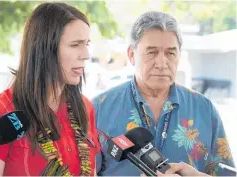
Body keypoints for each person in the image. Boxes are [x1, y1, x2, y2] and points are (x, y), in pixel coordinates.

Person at [93, 11, 235, 176]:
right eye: (152, 52)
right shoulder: (98, 109)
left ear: (179, 56)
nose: (161, 63)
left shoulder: (204, 109)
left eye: (170, 53)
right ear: (131, 55)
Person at [0, 2, 100, 176]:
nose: (86, 55)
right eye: (75, 45)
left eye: (87, 44)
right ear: (45, 49)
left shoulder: (85, 107)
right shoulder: (3, 109)